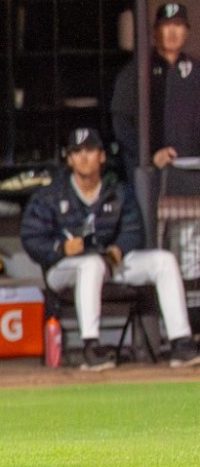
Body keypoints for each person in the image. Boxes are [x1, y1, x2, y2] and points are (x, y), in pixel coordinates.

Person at [19, 128, 200, 371]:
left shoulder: (116, 191)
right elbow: (31, 238)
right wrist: (60, 248)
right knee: (90, 264)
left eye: (90, 151)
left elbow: (134, 230)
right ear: (69, 159)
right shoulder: (51, 194)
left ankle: (181, 342)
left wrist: (118, 249)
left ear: (102, 156)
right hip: (63, 269)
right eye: (77, 152)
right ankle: (91, 347)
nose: (84, 157)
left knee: (164, 260)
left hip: (107, 263)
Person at [111, 3, 200, 174]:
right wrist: (149, 156)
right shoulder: (136, 71)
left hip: (192, 170)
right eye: (166, 25)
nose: (172, 32)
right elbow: (121, 123)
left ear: (187, 32)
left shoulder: (196, 71)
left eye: (178, 25)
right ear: (155, 31)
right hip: (150, 171)